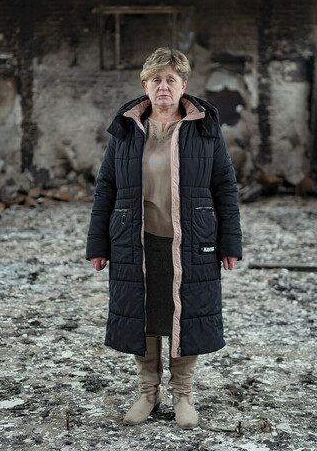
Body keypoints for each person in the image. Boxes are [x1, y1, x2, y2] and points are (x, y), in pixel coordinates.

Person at [85, 47, 243, 429]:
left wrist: (230, 243)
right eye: (156, 79)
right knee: (145, 318)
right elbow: (105, 186)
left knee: (183, 317)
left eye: (171, 79)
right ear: (145, 85)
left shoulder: (204, 129)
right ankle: (147, 392)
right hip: (135, 240)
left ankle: (184, 395)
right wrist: (98, 244)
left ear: (184, 85)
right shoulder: (127, 129)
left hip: (189, 241)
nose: (163, 86)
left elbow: (225, 185)